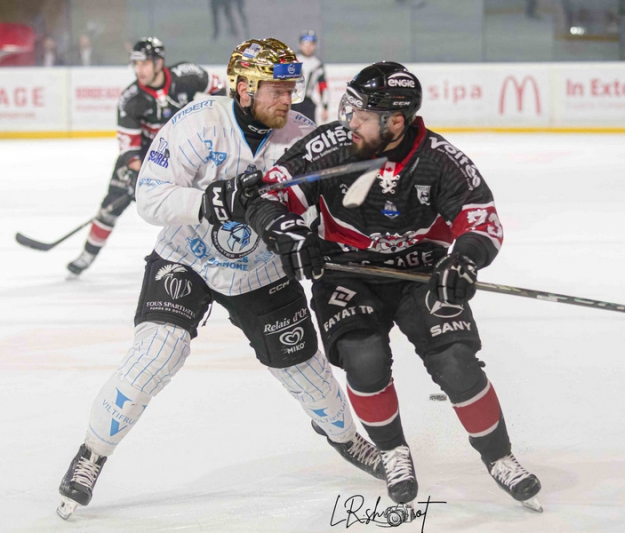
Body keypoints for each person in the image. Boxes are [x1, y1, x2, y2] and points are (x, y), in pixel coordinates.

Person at [56, 38, 385, 521]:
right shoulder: (196, 123)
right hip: (186, 257)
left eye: (291, 88)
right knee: (156, 355)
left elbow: (324, 208)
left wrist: (311, 240)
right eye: (276, 88)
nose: (287, 98)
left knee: (310, 377)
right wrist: (205, 202)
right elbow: (149, 198)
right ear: (245, 87)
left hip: (260, 271)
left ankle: (342, 436)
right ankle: (91, 454)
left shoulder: (303, 134)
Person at [240, 61, 542, 510]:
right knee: (365, 360)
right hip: (346, 273)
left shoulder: (440, 160)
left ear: (395, 121)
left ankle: (500, 458)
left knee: (457, 363)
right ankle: (393, 452)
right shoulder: (331, 147)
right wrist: (291, 235)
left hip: (420, 273)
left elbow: (482, 220)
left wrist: (464, 260)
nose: (350, 123)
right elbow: (265, 195)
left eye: (361, 116)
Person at [66, 37, 227, 277]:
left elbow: (223, 92)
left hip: (186, 154)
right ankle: (88, 254)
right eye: (135, 64)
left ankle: (205, 253)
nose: (139, 70)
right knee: (110, 208)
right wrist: (138, 175)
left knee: (198, 204)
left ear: (158, 62)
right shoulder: (131, 99)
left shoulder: (187, 74)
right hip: (147, 159)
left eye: (144, 64)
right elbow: (129, 149)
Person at [290, 31, 329, 124]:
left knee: (309, 128)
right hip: (291, 100)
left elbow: (323, 87)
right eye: (305, 44)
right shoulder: (293, 60)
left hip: (307, 101)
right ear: (300, 45)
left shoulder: (317, 64)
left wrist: (325, 107)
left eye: (311, 44)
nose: (308, 47)